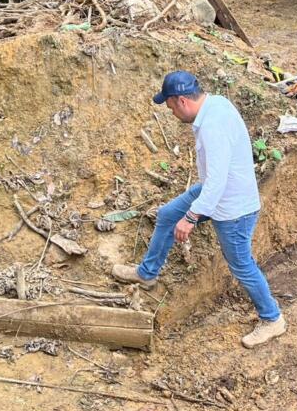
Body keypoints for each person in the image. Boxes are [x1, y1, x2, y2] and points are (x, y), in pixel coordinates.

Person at [110, 71, 286, 349]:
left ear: (182, 101)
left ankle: (272, 318)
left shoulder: (213, 126)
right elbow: (214, 182)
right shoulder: (215, 104)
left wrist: (191, 217)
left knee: (242, 266)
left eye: (171, 107)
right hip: (213, 193)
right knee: (168, 215)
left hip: (233, 208)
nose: (172, 113)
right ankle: (147, 273)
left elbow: (218, 181)